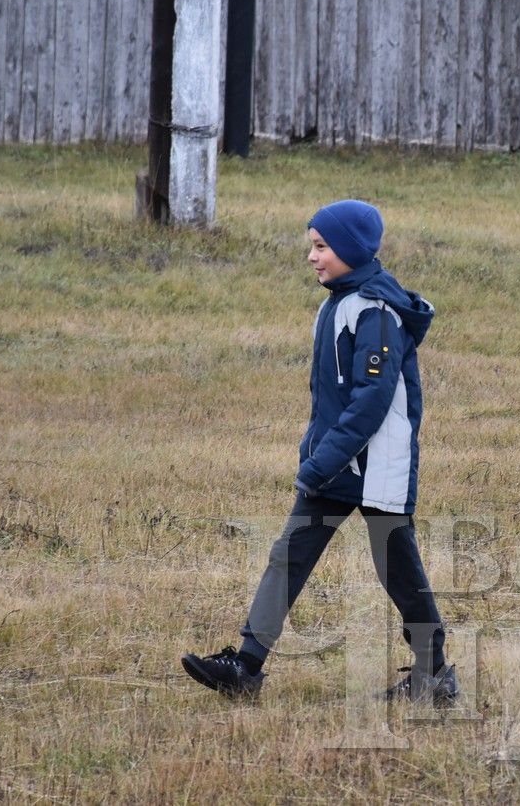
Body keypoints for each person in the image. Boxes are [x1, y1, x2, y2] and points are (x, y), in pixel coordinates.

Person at [182, 199, 456, 704]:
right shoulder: (336, 301)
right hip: (336, 463)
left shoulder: (375, 313)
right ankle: (245, 666)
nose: (312, 256)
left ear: (351, 250)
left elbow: (371, 402)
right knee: (288, 557)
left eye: (321, 246)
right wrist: (320, 453)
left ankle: (434, 673)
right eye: (312, 245)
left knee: (398, 573)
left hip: (374, 471)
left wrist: (322, 460)